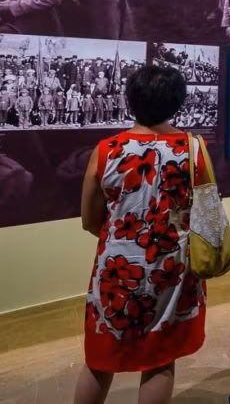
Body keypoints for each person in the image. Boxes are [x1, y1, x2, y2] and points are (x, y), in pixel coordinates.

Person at [76, 65, 208, 404]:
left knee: (100, 358)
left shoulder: (106, 150)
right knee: (160, 358)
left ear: (130, 99)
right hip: (171, 266)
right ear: (177, 102)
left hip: (116, 267)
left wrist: (126, 240)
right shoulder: (192, 149)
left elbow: (90, 219)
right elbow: (204, 214)